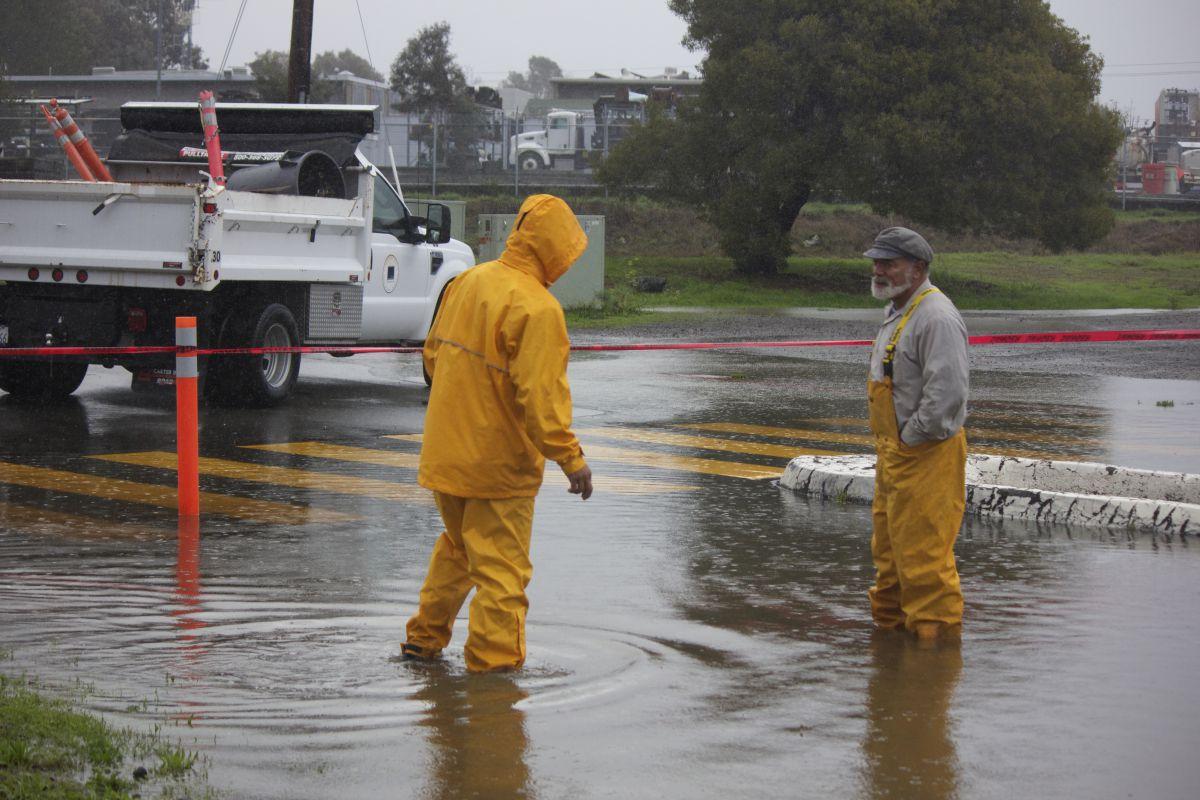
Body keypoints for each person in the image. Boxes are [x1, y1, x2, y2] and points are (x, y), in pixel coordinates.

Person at [403, 193, 593, 673]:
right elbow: (541, 400)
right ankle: (494, 677)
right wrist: (571, 458)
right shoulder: (539, 309)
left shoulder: (468, 281)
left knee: (459, 552)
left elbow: (431, 357)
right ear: (555, 250)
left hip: (447, 458)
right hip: (498, 470)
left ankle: (422, 643)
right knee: (501, 575)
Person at [864, 227, 969, 641]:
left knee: (924, 560)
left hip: (926, 455)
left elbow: (948, 396)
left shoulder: (936, 316)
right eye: (877, 262)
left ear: (918, 267)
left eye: (889, 263)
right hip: (895, 456)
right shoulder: (898, 309)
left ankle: (933, 661)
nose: (878, 270)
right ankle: (890, 651)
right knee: (889, 558)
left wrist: (911, 439)